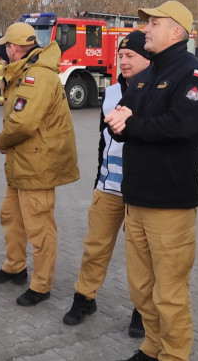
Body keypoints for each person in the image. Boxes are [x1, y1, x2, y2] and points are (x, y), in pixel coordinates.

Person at [105, 1, 198, 361]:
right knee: (142, 287)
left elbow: (182, 125)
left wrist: (130, 124)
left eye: (154, 23)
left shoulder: (194, 73)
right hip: (137, 198)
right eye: (147, 23)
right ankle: (151, 350)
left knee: (170, 292)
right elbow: (123, 118)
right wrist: (118, 121)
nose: (146, 29)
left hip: (171, 203)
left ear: (178, 31)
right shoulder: (147, 77)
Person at [0, 22, 78, 306]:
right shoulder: (28, 71)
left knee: (39, 226)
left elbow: (23, 121)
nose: (6, 52)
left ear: (14, 48)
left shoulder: (35, 76)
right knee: (11, 217)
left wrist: (2, 141)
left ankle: (41, 284)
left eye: (7, 47)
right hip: (23, 161)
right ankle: (15, 267)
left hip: (36, 164)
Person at [64, 31, 151, 329]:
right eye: (121, 56)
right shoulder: (112, 92)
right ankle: (85, 297)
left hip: (141, 188)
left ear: (148, 57)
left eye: (131, 56)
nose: (123, 62)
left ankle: (142, 311)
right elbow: (105, 139)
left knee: (141, 256)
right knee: (95, 246)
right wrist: (98, 178)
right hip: (109, 186)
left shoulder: (158, 91)